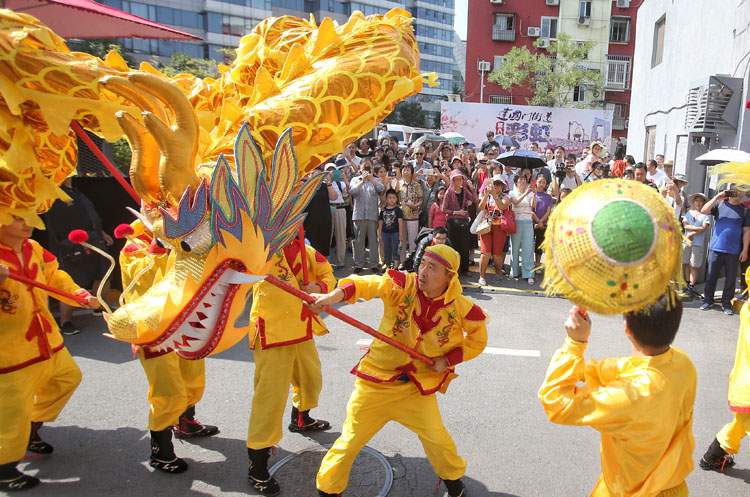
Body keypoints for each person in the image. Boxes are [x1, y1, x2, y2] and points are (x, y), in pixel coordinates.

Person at [311, 244, 488, 497]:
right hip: (376, 384)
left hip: (415, 390)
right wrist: (333, 296)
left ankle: (454, 485)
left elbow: (478, 339)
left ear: (450, 276)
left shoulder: (462, 307)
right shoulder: (403, 284)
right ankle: (328, 491)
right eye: (423, 263)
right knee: (348, 443)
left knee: (438, 441)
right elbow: (368, 284)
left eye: (432, 267)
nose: (423, 271)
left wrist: (448, 359)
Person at [539, 296, 696, 497]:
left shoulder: (628, 398)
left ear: (627, 329)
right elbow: (617, 369)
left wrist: (574, 344)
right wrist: (581, 368)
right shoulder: (683, 364)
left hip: (629, 491)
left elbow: (556, 402)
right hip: (675, 488)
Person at [0, 215, 99, 491]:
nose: (26, 222)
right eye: (17, 217)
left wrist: (78, 294)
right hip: (10, 355)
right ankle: (5, 468)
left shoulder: (33, 247)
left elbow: (55, 277)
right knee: (11, 412)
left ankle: (31, 429)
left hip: (47, 340)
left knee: (67, 379)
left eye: (29, 215)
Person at [118, 224, 219, 474]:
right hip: (153, 328)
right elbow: (143, 279)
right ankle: (160, 451)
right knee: (167, 391)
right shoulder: (134, 244)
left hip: (185, 322)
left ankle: (186, 421)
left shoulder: (185, 233)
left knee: (192, 378)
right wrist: (160, 245)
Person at [245, 237, 336, 495]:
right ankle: (257, 462)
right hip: (272, 332)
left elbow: (328, 273)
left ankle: (301, 418)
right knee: (270, 398)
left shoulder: (306, 251)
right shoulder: (260, 251)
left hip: (301, 326)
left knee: (311, 378)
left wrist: (317, 286)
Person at [44, 178, 113, 335]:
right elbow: (59, 225)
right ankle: (65, 322)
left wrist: (101, 233)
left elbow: (90, 216)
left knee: (104, 273)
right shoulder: (53, 195)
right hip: (71, 245)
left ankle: (99, 306)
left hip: (94, 239)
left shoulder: (76, 192)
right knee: (72, 282)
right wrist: (72, 241)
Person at [699, 268, 750, 472]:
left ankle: (711, 458)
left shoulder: (746, 308)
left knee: (740, 425)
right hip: (747, 386)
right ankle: (710, 458)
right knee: (741, 424)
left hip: (743, 384)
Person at [700, 188, 750, 315]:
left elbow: (746, 232)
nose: (738, 195)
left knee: (730, 279)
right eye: (735, 192)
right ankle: (708, 300)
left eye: (740, 192)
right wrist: (717, 197)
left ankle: (726, 303)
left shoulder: (745, 210)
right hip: (716, 248)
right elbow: (703, 210)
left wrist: (745, 250)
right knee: (711, 277)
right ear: (729, 192)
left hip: (734, 251)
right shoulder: (719, 205)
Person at [350, 165, 384, 273]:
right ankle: (358, 264)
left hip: (372, 215)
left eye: (369, 169)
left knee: (373, 241)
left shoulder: (376, 180)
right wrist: (362, 181)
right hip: (359, 215)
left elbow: (381, 189)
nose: (367, 171)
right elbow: (352, 192)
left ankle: (373, 264)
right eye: (364, 168)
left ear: (372, 170)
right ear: (360, 169)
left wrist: (371, 179)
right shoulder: (355, 179)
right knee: (359, 240)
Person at [477, 175, 510, 286]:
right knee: (485, 253)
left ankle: (498, 273)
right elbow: (481, 207)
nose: (496, 186)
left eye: (498, 184)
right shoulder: (487, 195)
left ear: (502, 186)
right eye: (494, 184)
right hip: (486, 226)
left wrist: (494, 196)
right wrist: (487, 194)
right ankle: (482, 276)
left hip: (499, 227)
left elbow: (503, 207)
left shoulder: (506, 196)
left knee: (497, 254)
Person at [442, 170, 475, 274]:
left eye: (460, 179)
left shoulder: (464, 190)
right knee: (453, 246)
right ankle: (454, 269)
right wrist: (456, 212)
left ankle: (465, 269)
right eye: (456, 179)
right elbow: (444, 209)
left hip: (463, 222)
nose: (458, 181)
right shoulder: (448, 192)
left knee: (464, 246)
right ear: (452, 180)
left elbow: (475, 199)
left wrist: (472, 188)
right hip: (452, 222)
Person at [509, 174, 536, 284]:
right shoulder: (512, 193)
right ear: (516, 182)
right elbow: (515, 202)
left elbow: (533, 206)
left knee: (528, 247)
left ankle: (529, 273)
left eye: (524, 179)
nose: (523, 181)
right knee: (514, 247)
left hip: (528, 221)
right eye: (520, 179)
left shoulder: (531, 193)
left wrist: (534, 194)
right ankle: (514, 271)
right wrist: (527, 193)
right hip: (516, 221)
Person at [682, 193, 710, 291]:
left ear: (703, 203)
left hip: (698, 244)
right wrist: (696, 229)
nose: (698, 203)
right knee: (685, 262)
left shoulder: (705, 215)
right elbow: (685, 225)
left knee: (694, 265)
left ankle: (692, 285)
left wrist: (691, 233)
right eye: (696, 200)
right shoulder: (688, 213)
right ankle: (685, 283)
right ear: (693, 202)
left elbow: (704, 228)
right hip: (686, 242)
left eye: (701, 201)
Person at [397, 164, 423, 260]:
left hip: (413, 215)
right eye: (404, 169)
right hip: (401, 216)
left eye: (408, 169)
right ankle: (402, 261)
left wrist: (415, 206)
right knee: (402, 239)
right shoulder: (398, 184)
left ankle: (412, 261)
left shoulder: (416, 185)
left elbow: (421, 199)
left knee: (413, 240)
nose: (405, 171)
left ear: (412, 172)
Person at [325, 165, 349, 269]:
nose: (331, 172)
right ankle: (325, 262)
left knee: (341, 236)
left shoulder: (341, 183)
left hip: (340, 208)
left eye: (333, 170)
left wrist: (345, 178)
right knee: (327, 236)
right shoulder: (322, 184)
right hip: (327, 209)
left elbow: (349, 193)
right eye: (328, 170)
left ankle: (341, 261)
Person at [378, 189, 404, 270]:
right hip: (385, 233)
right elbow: (380, 222)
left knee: (395, 249)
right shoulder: (383, 210)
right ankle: (387, 264)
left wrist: (400, 235)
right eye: (389, 197)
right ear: (386, 199)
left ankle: (396, 266)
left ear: (397, 199)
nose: (391, 199)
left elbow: (400, 223)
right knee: (386, 249)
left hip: (395, 233)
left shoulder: (398, 210)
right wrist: (379, 233)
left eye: (393, 198)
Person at [532, 175, 553, 268]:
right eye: (540, 181)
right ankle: (529, 263)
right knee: (529, 243)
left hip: (543, 224)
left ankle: (537, 263)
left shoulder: (548, 197)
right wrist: (536, 221)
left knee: (539, 244)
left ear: (546, 184)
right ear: (536, 182)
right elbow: (531, 210)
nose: (541, 184)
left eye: (543, 182)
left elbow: (548, 211)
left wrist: (540, 222)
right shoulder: (532, 194)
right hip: (531, 223)